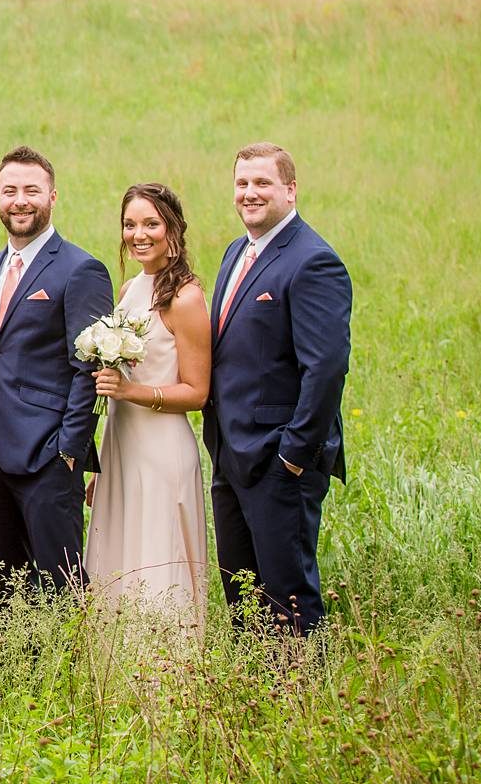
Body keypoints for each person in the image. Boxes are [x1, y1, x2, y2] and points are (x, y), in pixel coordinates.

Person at [204, 143, 351, 637]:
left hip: (279, 460)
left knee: (288, 596)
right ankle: (255, 702)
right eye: (242, 183)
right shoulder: (236, 252)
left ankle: (304, 705)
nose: (250, 193)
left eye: (262, 183)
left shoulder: (314, 262)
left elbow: (326, 369)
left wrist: (294, 454)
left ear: (290, 190)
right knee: (241, 594)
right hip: (232, 455)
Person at [0, 146, 113, 596]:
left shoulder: (81, 269)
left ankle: (66, 668)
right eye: (9, 191)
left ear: (53, 196)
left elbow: (88, 367)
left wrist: (69, 448)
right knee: (3, 585)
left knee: (59, 583)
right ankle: (16, 668)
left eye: (32, 190)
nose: (20, 201)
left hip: (47, 454)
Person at [86, 183, 211, 639]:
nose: (139, 234)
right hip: (121, 444)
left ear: (173, 230)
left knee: (158, 556)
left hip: (161, 447)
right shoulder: (131, 288)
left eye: (150, 224)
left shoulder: (185, 298)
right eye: (130, 224)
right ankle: (116, 675)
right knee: (120, 553)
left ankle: (165, 673)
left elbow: (197, 392)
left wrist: (132, 392)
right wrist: (99, 466)